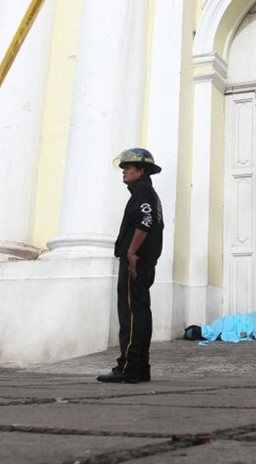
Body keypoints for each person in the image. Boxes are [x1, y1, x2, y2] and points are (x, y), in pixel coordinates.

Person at [98, 147, 164, 384]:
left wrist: (131, 252)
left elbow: (144, 222)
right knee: (141, 313)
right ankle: (140, 367)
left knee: (131, 316)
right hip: (146, 263)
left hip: (135, 263)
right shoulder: (150, 194)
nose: (123, 171)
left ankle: (128, 367)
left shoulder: (142, 193)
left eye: (128, 167)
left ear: (141, 169)